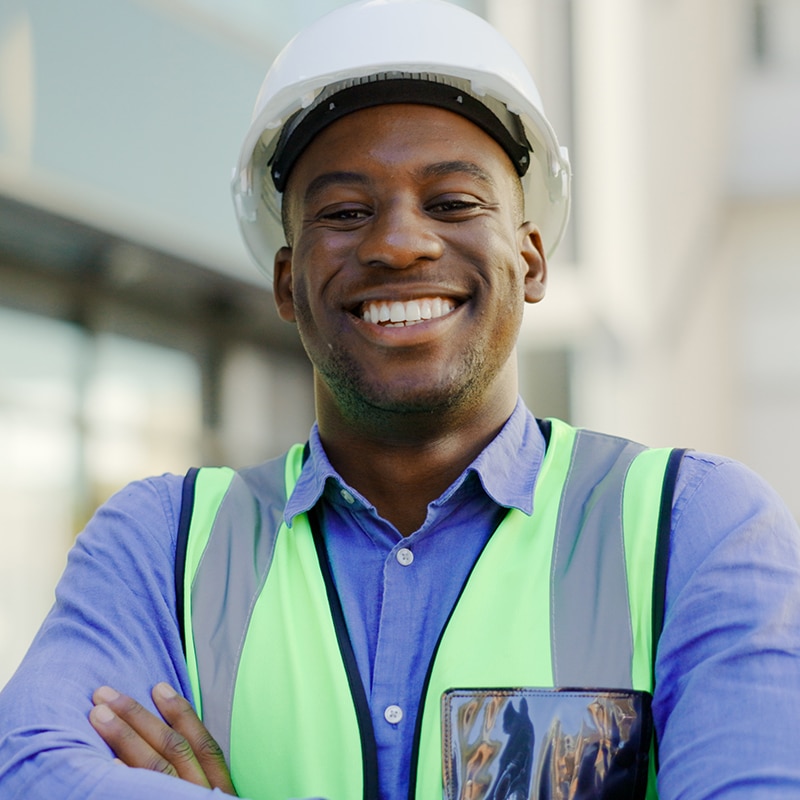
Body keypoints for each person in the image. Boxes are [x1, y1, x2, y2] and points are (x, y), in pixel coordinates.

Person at [1, 1, 799, 798]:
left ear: (530, 261)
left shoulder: (695, 530)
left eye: (453, 203)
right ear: (287, 282)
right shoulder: (160, 545)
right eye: (346, 213)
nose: (397, 244)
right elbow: (31, 768)